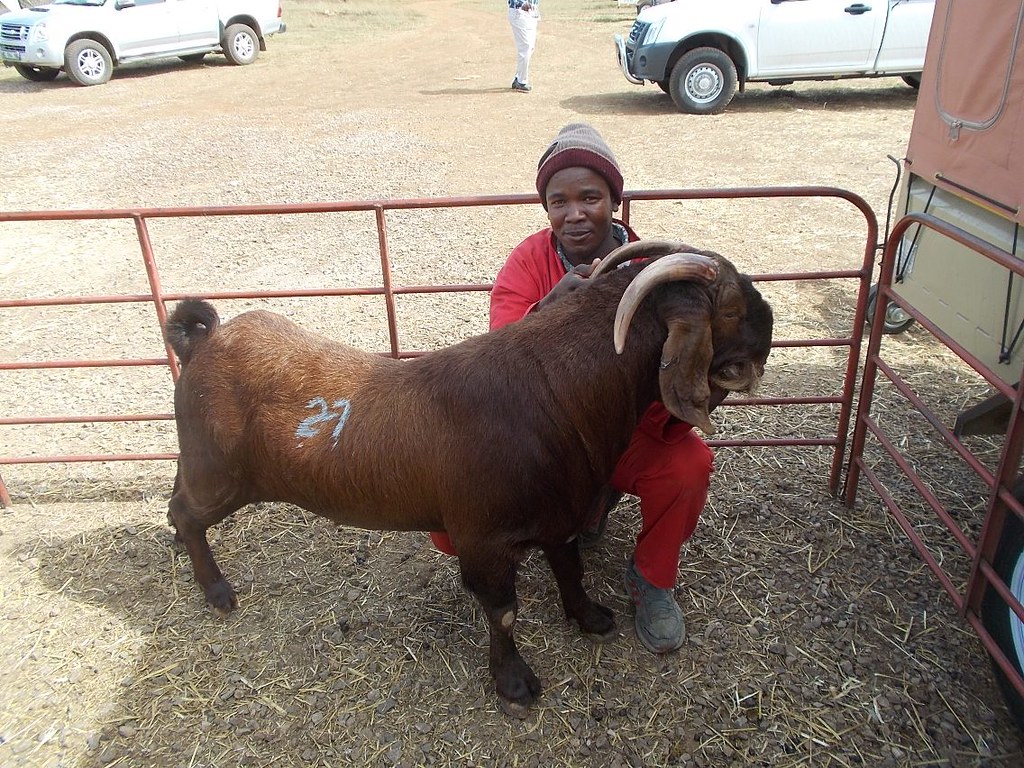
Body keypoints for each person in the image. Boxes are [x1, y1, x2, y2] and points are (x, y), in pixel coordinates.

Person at [431, 122, 714, 655]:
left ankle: (651, 580)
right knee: (449, 527)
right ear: (546, 208)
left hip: (625, 433)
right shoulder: (529, 262)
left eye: (591, 197)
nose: (575, 213)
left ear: (615, 200)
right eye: (558, 201)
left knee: (688, 464)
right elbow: (497, 366)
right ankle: (565, 516)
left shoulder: (652, 271)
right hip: (543, 441)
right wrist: (549, 311)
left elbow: (683, 360)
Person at [507, 0, 539, 92]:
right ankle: (521, 81)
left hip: (532, 11)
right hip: (519, 11)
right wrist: (521, 3)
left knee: (530, 47)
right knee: (526, 47)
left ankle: (518, 77)